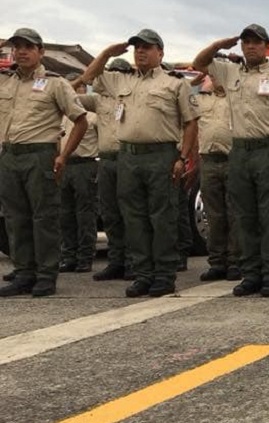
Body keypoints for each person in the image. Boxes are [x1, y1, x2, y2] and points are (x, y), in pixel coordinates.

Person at [79, 29, 198, 298]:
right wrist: (108, 53)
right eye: (137, 48)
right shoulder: (122, 81)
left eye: (147, 47)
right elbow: (88, 77)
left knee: (162, 217)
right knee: (134, 218)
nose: (140, 52)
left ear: (160, 53)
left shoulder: (174, 83)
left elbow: (191, 123)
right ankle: (143, 274)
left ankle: (164, 275)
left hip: (161, 155)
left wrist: (183, 157)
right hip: (128, 156)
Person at [193, 24, 269, 298]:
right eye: (246, 42)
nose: (250, 46)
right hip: (239, 150)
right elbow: (199, 63)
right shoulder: (230, 73)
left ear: (267, 46)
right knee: (244, 216)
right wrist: (220, 44)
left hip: (267, 149)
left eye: (256, 42)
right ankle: (251, 274)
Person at [0, 28, 89, 297]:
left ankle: (46, 275)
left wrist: (63, 155)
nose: (21, 52)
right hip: (9, 155)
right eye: (17, 47)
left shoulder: (55, 83)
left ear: (41, 52)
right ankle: (24, 273)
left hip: (40, 155)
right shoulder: (6, 82)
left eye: (28, 47)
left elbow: (80, 121)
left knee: (44, 218)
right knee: (15, 218)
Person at [76, 59, 132, 281]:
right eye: (111, 72)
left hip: (127, 157)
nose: (113, 77)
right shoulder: (97, 100)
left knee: (131, 212)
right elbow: (68, 95)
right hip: (107, 160)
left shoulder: (133, 96)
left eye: (119, 73)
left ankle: (134, 261)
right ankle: (116, 261)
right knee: (110, 213)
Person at [195, 73, 241, 282]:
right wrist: (197, 81)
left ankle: (235, 261)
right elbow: (180, 92)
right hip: (209, 160)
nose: (215, 78)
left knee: (234, 213)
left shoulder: (237, 97)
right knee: (213, 214)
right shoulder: (201, 100)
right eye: (211, 75)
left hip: (232, 159)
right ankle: (217, 262)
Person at [58, 76, 100, 274]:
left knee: (85, 214)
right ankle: (68, 256)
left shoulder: (92, 116)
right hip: (65, 165)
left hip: (85, 164)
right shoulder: (63, 115)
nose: (76, 91)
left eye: (80, 87)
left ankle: (85, 257)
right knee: (65, 214)